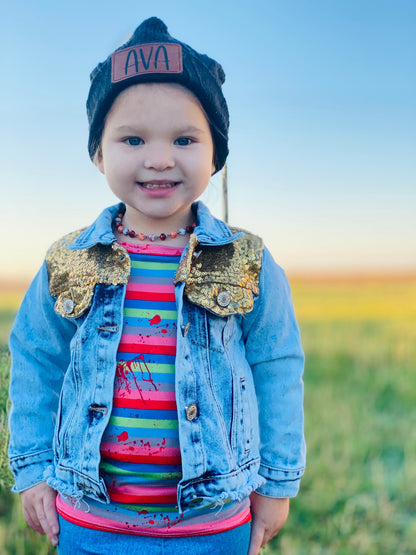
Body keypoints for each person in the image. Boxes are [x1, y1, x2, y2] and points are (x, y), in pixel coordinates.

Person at [8, 17, 305, 555]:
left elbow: (277, 366)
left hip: (214, 521)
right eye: (133, 138)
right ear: (99, 153)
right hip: (89, 518)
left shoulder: (247, 261)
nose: (160, 158)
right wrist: (32, 471)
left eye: (185, 138)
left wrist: (277, 484)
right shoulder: (69, 260)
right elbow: (36, 357)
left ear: (217, 154)